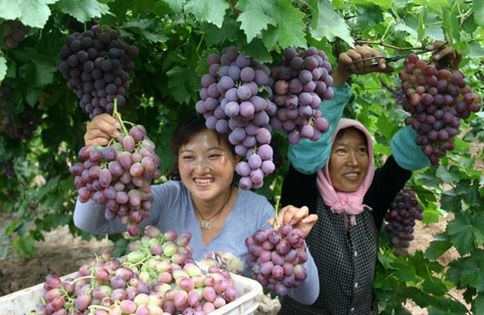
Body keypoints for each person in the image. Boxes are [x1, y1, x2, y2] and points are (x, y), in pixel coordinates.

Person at [277, 44, 461, 314]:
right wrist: (339, 77)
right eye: (340, 150)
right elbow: (308, 147)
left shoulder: (369, 202)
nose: (354, 161)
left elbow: (407, 157)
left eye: (362, 150)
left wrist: (441, 83)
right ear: (324, 157)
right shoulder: (304, 200)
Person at [74, 113, 320, 305]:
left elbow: (307, 295)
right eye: (189, 157)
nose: (201, 168)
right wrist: (95, 157)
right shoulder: (168, 198)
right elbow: (91, 222)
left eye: (214, 156)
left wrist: (294, 243)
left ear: (236, 159)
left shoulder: (257, 212)